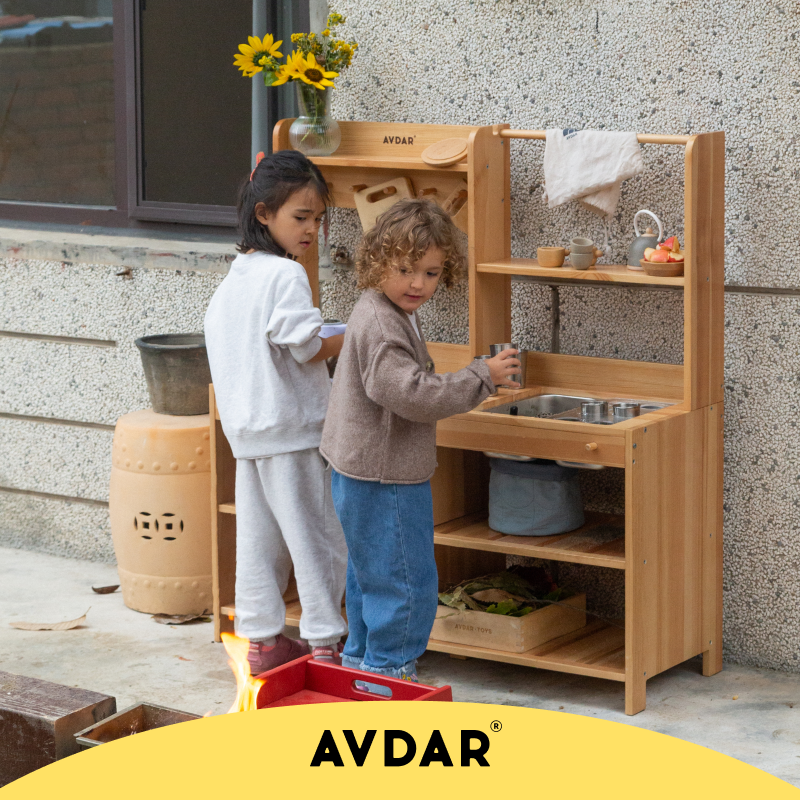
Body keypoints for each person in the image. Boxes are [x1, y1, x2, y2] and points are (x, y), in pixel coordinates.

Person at [320, 198, 520, 682]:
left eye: (431, 273)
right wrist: (481, 377)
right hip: (384, 473)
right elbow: (408, 394)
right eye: (406, 269)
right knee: (405, 580)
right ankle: (391, 672)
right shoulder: (385, 325)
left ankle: (361, 667)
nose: (418, 284)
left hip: (360, 465)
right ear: (377, 263)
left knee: (371, 574)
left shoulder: (379, 307)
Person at [204, 150, 347, 674]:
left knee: (258, 543)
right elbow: (306, 344)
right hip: (294, 433)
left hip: (249, 437)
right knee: (317, 539)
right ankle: (326, 644)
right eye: (301, 217)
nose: (312, 229)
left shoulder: (232, 282)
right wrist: (355, 334)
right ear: (264, 214)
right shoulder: (286, 276)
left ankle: (261, 640)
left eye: (317, 218)